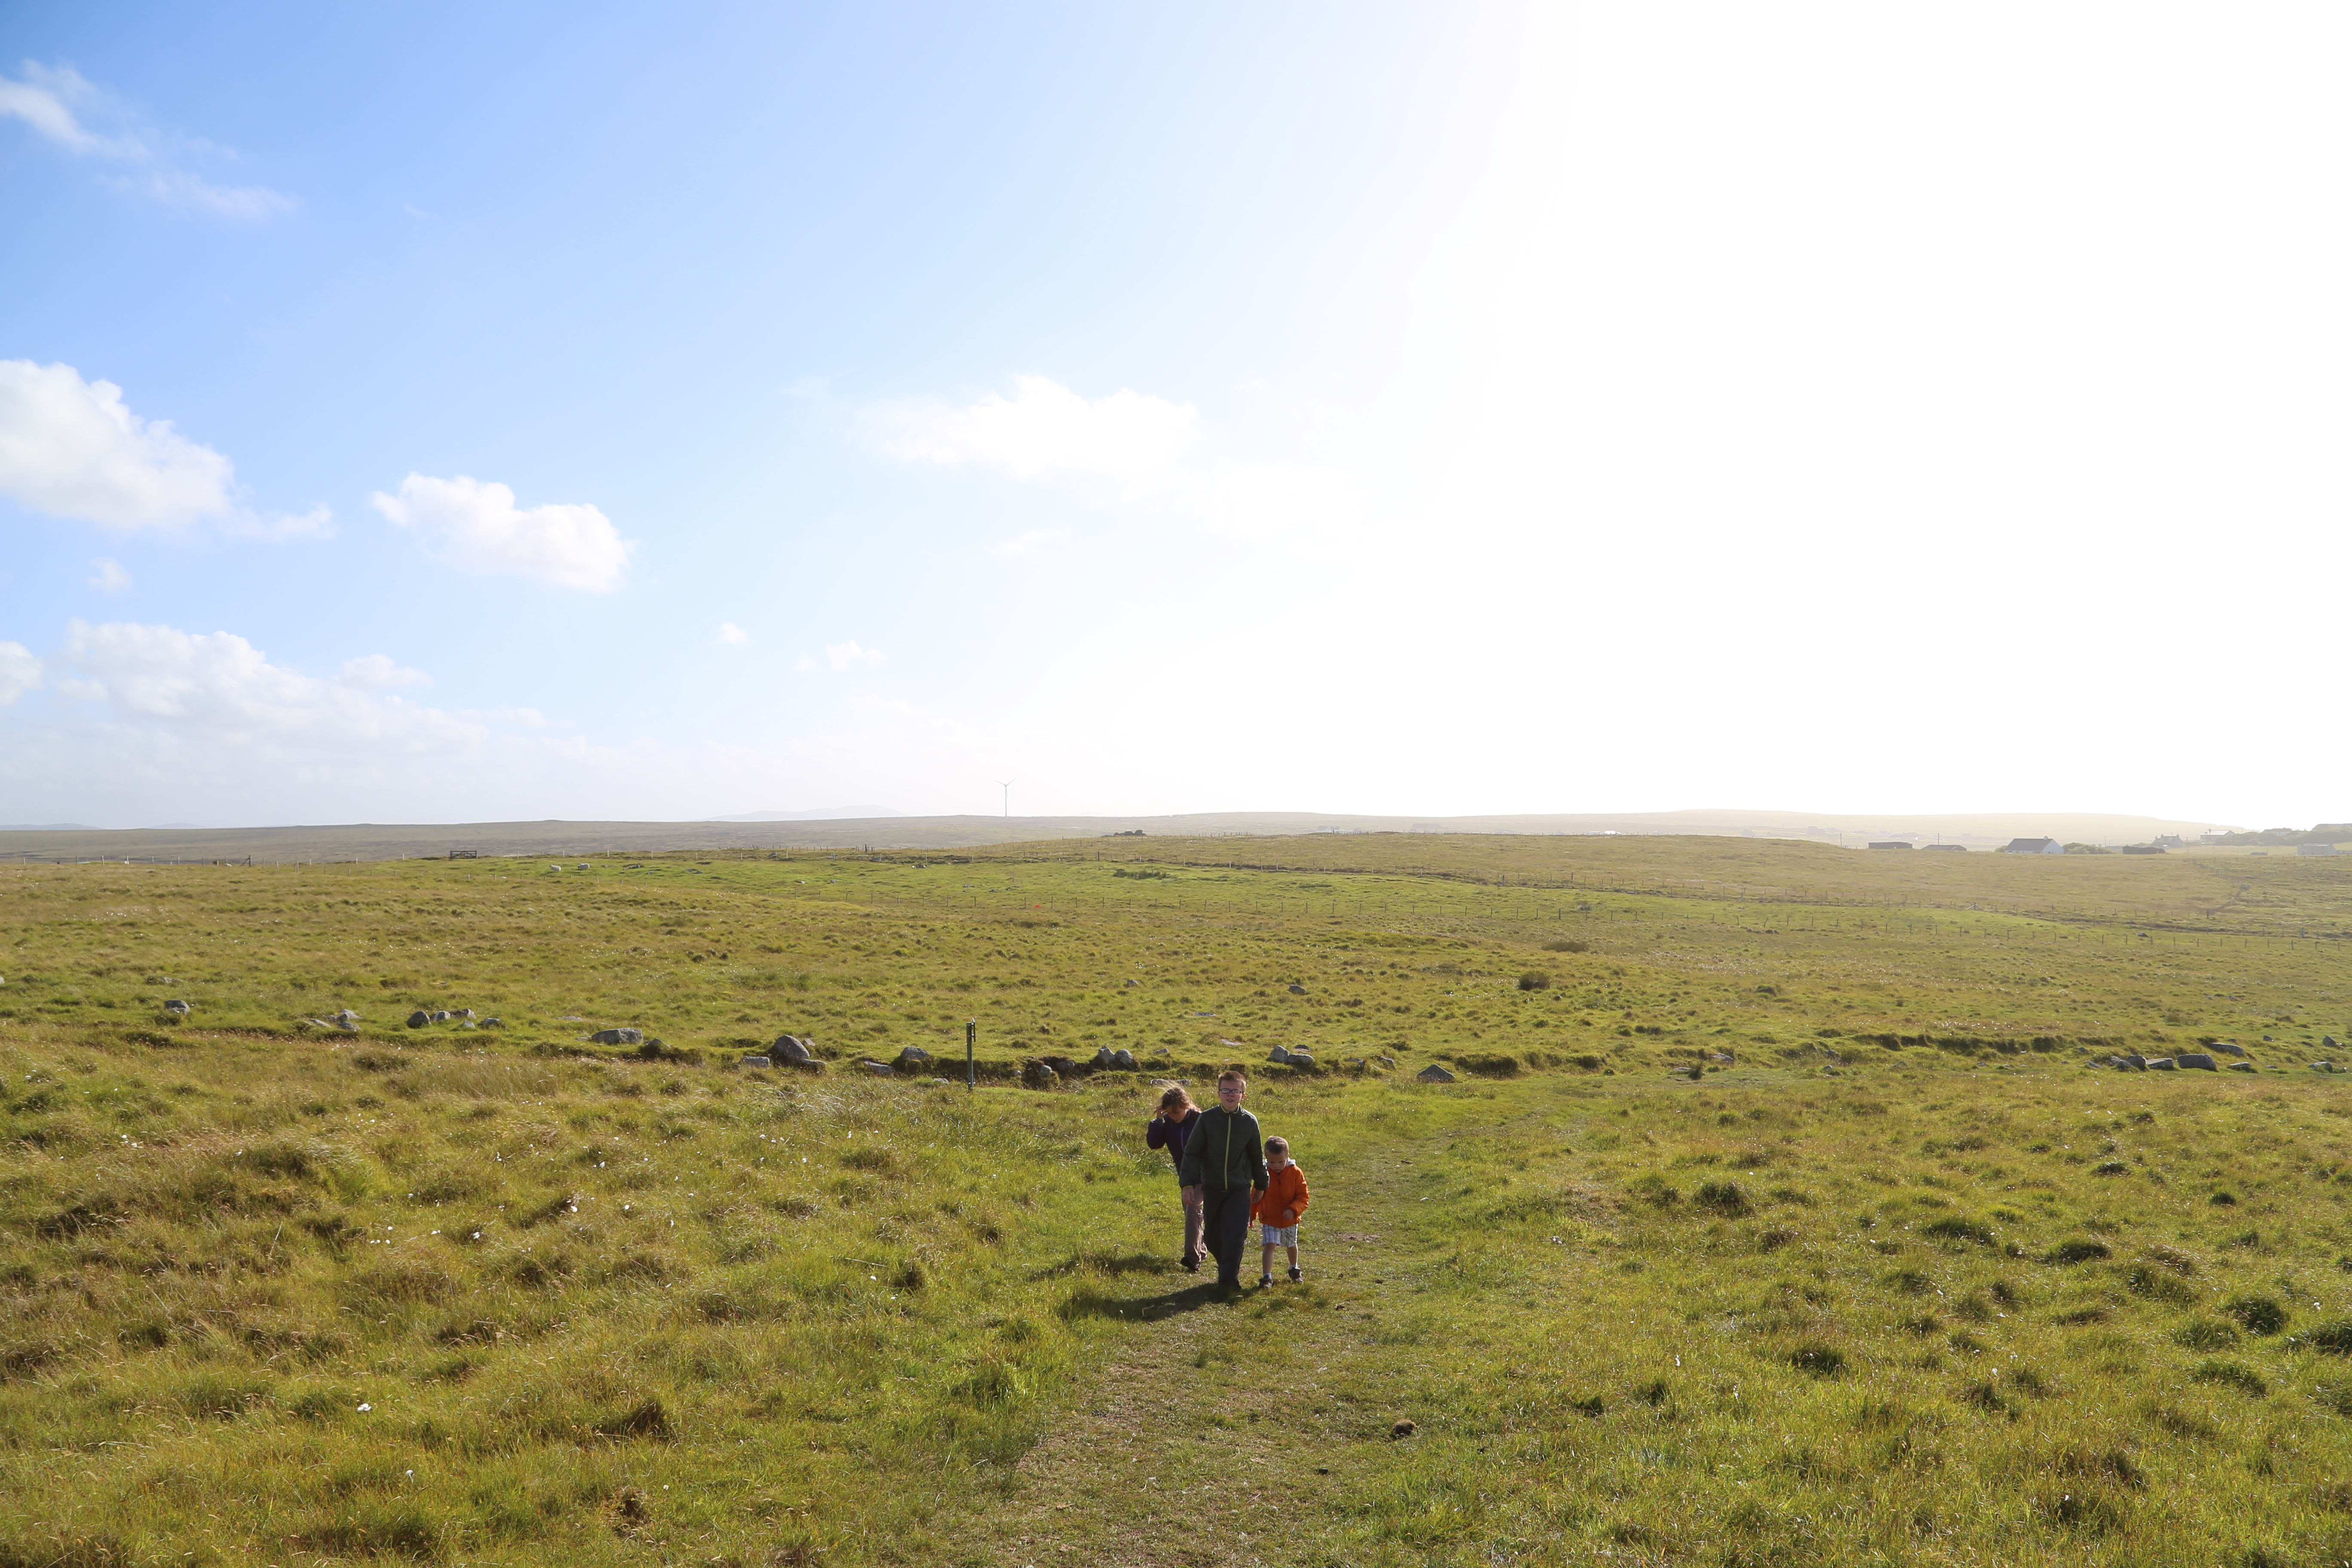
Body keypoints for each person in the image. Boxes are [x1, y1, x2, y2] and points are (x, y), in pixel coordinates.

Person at [1176, 1068, 1266, 1291]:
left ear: (1243, 1095)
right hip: (1213, 1187)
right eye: (1225, 1090)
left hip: (1240, 1187)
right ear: (1218, 1093)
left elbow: (1257, 1156)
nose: (1230, 1094)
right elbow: (1192, 1152)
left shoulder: (1249, 1122)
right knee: (1213, 1237)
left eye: (1235, 1091)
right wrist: (1187, 1183)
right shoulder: (1207, 1119)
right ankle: (1227, 1268)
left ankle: (1228, 1281)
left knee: (1235, 1235)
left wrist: (1261, 1185)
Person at [1144, 1084, 1205, 1271]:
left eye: (1177, 1112)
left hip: (1205, 1175)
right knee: (1192, 1214)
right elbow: (1154, 1145)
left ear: (1187, 1105)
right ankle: (1201, 1251)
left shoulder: (1200, 1120)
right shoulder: (1167, 1123)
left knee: (1193, 1210)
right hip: (1184, 1176)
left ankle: (1191, 1257)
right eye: (1170, 1113)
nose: (1174, 1116)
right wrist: (1159, 1123)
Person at [1254, 1135, 1310, 1286]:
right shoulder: (1263, 1174)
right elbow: (1256, 1196)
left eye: (1280, 1162)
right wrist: (1251, 1215)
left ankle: (1294, 1268)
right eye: (1272, 1162)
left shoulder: (1295, 1173)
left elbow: (1303, 1196)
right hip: (1270, 1217)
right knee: (1269, 1245)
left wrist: (1293, 1210)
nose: (1276, 1166)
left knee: (1291, 1244)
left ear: (1288, 1156)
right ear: (1266, 1158)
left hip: (1290, 1219)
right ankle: (1267, 1276)